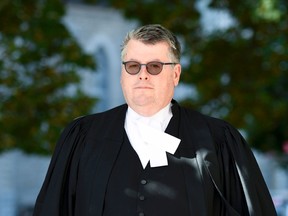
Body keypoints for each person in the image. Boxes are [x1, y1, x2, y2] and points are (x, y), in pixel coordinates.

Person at [33, 24, 276, 216]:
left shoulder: (217, 140)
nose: (142, 75)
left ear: (176, 74)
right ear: (122, 74)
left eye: (155, 66)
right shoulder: (82, 137)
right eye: (132, 66)